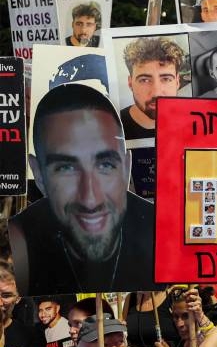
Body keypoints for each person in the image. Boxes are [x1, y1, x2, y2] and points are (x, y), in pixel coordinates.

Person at [9, 83, 156, 295]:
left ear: (126, 167)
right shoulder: (17, 244)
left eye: (105, 165)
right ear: (39, 175)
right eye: (66, 168)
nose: (90, 199)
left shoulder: (160, 235)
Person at [119, 36, 182, 139]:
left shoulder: (193, 124)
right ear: (130, 83)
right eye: (144, 80)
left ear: (177, 82)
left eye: (166, 79)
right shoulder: (113, 126)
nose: (156, 93)